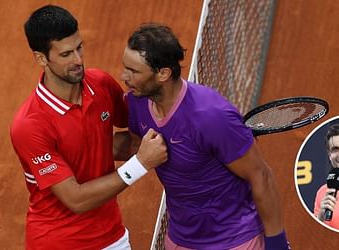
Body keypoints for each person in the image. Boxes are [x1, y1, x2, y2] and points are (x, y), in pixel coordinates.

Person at [119, 23, 289, 250]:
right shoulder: (138, 103)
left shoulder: (210, 116)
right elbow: (135, 144)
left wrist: (277, 244)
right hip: (181, 239)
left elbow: (261, 176)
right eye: (125, 68)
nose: (123, 76)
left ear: (163, 74)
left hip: (235, 238)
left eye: (134, 71)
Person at [10, 5, 167, 249]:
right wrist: (141, 163)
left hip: (112, 236)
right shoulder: (30, 125)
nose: (78, 60)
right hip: (58, 242)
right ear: (41, 58)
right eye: (66, 55)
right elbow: (76, 199)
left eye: (79, 47)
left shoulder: (100, 84)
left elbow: (139, 128)